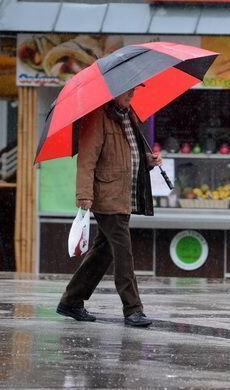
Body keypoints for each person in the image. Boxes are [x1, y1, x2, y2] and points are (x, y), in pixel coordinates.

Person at [57, 89, 162, 327]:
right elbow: (87, 159)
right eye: (127, 90)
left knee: (103, 252)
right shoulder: (97, 117)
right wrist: (84, 194)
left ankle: (71, 301)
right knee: (123, 252)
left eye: (134, 90)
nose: (132, 94)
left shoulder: (128, 115)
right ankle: (133, 309)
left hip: (123, 195)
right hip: (108, 195)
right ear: (113, 92)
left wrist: (147, 161)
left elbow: (124, 156)